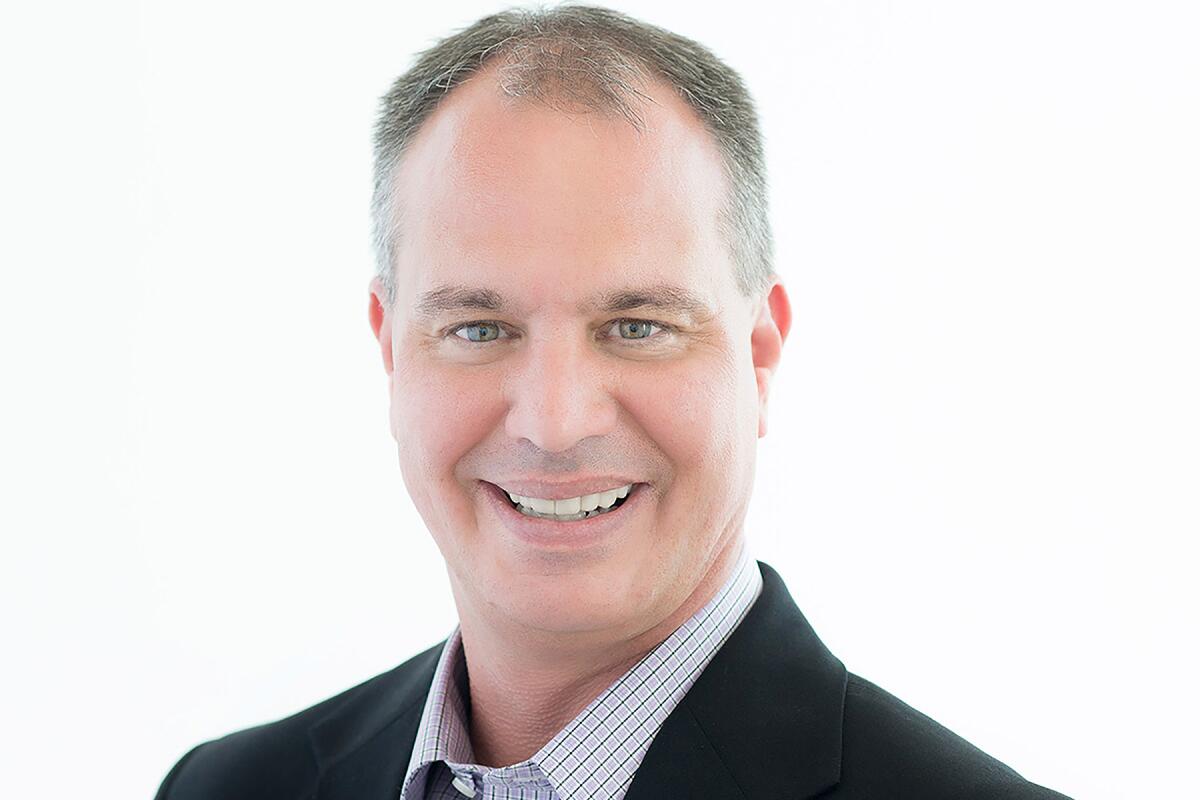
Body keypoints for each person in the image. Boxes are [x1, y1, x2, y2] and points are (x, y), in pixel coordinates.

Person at [155, 4, 1071, 798]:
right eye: (478, 328)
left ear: (758, 354)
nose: (554, 423)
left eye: (636, 325)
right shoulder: (226, 789)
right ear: (390, 351)